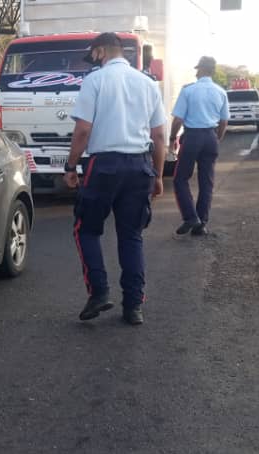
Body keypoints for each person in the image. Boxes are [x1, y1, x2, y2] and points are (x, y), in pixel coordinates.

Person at [64, 32, 168, 326]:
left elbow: (83, 130)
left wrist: (70, 166)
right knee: (131, 236)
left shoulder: (94, 81)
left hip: (103, 166)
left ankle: (99, 292)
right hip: (139, 166)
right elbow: (159, 136)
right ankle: (133, 306)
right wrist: (158, 176)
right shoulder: (147, 84)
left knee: (86, 230)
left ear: (100, 52)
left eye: (93, 55)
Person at [169, 56, 228, 237]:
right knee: (206, 182)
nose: (195, 73)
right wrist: (217, 138)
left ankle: (190, 217)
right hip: (211, 137)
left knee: (180, 178)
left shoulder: (189, 90)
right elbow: (224, 121)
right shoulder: (221, 92)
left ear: (201, 69)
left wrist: (172, 138)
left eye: (197, 70)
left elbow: (178, 119)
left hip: (193, 137)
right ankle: (201, 224)